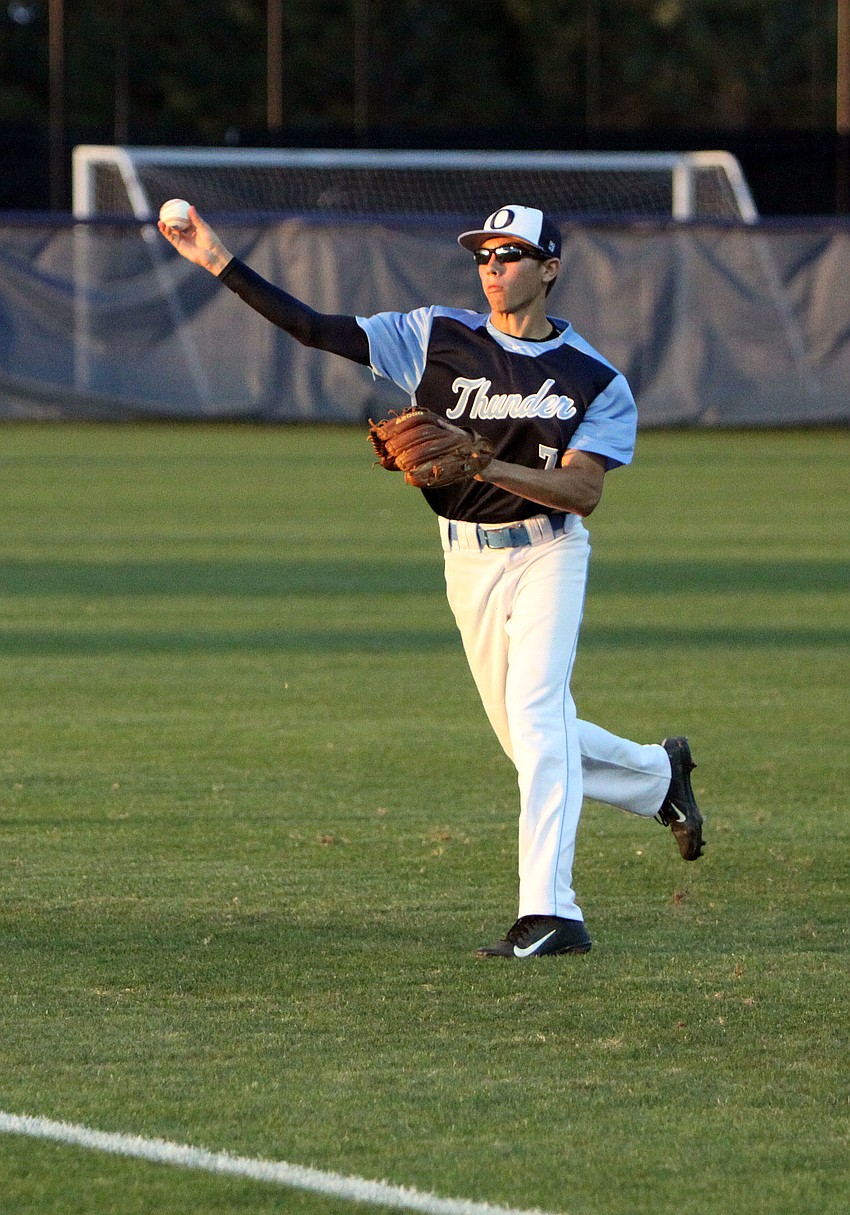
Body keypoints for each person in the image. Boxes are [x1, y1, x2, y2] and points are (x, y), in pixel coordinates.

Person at [158, 202, 705, 959]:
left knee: (540, 719)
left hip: (550, 553)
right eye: (484, 255)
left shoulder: (595, 380)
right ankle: (657, 776)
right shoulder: (432, 337)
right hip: (466, 558)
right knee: (528, 741)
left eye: (510, 255)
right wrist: (215, 259)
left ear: (549, 268)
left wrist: (482, 460)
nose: (492, 267)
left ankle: (551, 914)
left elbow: (582, 493)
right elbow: (316, 327)